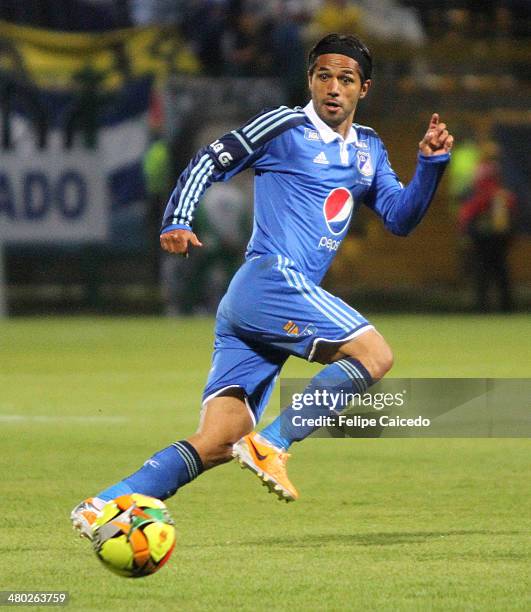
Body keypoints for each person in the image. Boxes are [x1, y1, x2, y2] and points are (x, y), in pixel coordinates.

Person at [71, 33, 453, 537]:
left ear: (365, 89)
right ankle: (273, 443)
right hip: (270, 280)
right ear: (309, 80)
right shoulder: (285, 127)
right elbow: (210, 158)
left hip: (257, 307)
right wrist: (176, 219)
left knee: (219, 439)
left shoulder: (369, 149)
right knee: (374, 355)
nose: (333, 88)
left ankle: (102, 503)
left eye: (346, 79)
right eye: (323, 76)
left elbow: (400, 219)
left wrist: (429, 166)